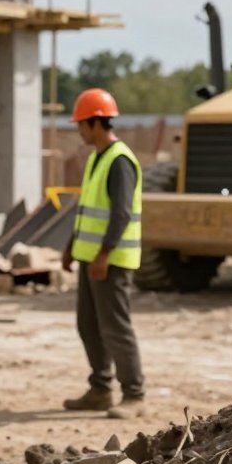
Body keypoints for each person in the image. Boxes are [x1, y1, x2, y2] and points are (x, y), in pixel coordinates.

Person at [62, 88, 144, 418]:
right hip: (91, 257)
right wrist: (71, 247)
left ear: (96, 123)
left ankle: (134, 394)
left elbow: (121, 214)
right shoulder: (97, 158)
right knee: (89, 325)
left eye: (81, 124)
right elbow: (88, 210)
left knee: (115, 328)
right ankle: (100, 390)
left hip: (111, 260)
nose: (79, 130)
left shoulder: (119, 161)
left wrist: (103, 255)